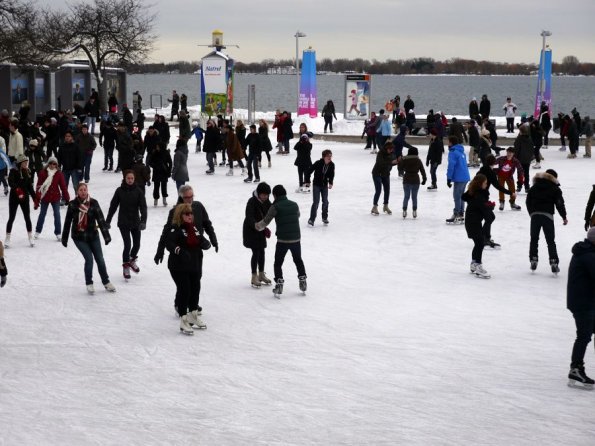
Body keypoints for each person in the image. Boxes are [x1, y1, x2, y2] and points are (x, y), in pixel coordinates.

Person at [154, 185, 219, 317]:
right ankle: (180, 304)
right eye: (187, 197)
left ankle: (192, 303)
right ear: (181, 197)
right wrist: (160, 251)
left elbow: (207, 224)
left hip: (196, 250)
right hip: (181, 254)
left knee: (196, 279)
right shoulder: (176, 212)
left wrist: (213, 239)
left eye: (191, 196)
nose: (190, 199)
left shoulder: (198, 207)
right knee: (184, 282)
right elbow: (166, 233)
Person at [62, 182, 115, 294]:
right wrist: (64, 238)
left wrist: (106, 236)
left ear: (87, 191)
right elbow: (67, 222)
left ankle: (106, 282)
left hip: (93, 235)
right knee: (89, 259)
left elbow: (100, 220)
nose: (83, 192)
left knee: (100, 259)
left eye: (84, 190)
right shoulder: (73, 204)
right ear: (77, 192)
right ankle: (89, 283)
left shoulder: (93, 203)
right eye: (80, 190)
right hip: (79, 237)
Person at [254, 184, 306, 297]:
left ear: (275, 195)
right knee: (298, 260)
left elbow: (266, 221)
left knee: (278, 263)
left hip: (283, 240)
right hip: (296, 238)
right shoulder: (294, 205)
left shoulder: (275, 206)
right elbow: (297, 215)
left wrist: (257, 226)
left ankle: (279, 283)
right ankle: (302, 279)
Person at [165, 203, 209, 334]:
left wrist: (205, 242)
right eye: (187, 214)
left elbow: (200, 238)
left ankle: (193, 316)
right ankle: (184, 321)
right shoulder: (175, 229)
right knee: (185, 291)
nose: (190, 216)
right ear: (180, 215)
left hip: (193, 265)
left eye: (191, 214)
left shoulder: (193, 228)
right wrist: (179, 250)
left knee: (196, 289)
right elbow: (169, 243)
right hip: (178, 267)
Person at [566, 227, 595, 388]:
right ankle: (575, 369)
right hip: (583, 303)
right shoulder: (588, 256)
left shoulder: (586, 252)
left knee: (586, 334)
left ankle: (576, 367)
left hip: (584, 301)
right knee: (583, 335)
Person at [106, 170, 147, 280]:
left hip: (135, 222)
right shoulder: (119, 191)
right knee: (127, 244)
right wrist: (108, 221)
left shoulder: (138, 191)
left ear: (134, 179)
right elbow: (113, 207)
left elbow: (143, 207)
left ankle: (131, 260)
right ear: (124, 179)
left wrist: (143, 221)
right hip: (123, 222)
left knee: (137, 244)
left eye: (132, 178)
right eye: (128, 178)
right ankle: (126, 266)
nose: (130, 180)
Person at [526, 169, 568, 273]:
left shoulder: (534, 186)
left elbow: (528, 201)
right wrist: (564, 216)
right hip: (547, 216)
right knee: (550, 241)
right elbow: (559, 204)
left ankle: (533, 259)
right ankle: (553, 261)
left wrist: (532, 213)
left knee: (534, 239)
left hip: (535, 215)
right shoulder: (554, 188)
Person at [478, 155, 514, 248]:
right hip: (482, 198)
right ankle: (484, 238)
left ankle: (483, 236)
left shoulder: (481, 170)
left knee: (489, 217)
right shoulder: (490, 172)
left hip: (477, 197)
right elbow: (498, 186)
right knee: (489, 217)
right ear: (494, 163)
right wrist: (510, 192)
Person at [462, 174, 493, 279]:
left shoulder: (474, 192)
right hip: (473, 222)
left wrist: (488, 206)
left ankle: (474, 263)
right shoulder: (479, 195)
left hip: (473, 221)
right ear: (480, 184)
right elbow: (483, 208)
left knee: (478, 243)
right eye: (485, 183)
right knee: (480, 243)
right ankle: (478, 266)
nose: (487, 184)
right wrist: (489, 211)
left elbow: (481, 207)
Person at [243, 182, 273, 288]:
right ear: (259, 193)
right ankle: (254, 276)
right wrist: (255, 225)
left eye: (267, 195)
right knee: (256, 252)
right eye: (263, 194)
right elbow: (248, 216)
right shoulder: (252, 201)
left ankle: (261, 274)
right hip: (251, 230)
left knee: (262, 251)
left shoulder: (267, 202)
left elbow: (272, 211)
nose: (265, 197)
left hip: (261, 229)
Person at [34, 156, 70, 241]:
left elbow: (63, 187)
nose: (52, 165)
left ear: (56, 165)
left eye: (54, 164)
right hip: (45, 197)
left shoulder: (59, 174)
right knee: (42, 214)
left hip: (55, 197)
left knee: (57, 214)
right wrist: (37, 200)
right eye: (50, 163)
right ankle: (37, 231)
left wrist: (67, 198)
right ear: (48, 164)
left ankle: (58, 233)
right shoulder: (42, 173)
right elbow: (39, 187)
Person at [5, 154, 36, 247]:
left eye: (27, 162)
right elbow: (10, 182)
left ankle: (30, 237)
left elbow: (30, 186)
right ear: (20, 163)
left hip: (24, 198)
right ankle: (7, 238)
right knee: (11, 218)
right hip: (14, 198)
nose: (26, 164)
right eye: (25, 162)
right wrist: (17, 189)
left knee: (27, 217)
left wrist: (35, 198)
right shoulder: (13, 171)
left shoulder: (27, 171)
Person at [446, 135, 471, 223]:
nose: (447, 143)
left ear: (451, 143)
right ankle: (461, 213)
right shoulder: (461, 151)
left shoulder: (453, 152)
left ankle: (457, 213)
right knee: (461, 196)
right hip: (465, 177)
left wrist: (448, 178)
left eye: (448, 142)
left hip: (459, 178)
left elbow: (451, 166)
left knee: (457, 196)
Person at [307, 149, 335, 226]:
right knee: (316, 202)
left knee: (325, 201)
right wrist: (307, 180)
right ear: (323, 157)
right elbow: (309, 171)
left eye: (330, 156)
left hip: (324, 185)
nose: (330, 157)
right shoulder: (318, 163)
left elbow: (332, 175)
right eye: (328, 156)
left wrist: (331, 182)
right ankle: (311, 219)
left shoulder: (332, 165)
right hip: (316, 185)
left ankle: (324, 217)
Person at [371, 141, 399, 216]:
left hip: (386, 174)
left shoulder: (392, 154)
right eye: (390, 149)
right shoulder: (380, 153)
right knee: (378, 190)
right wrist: (391, 162)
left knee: (387, 190)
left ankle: (385, 206)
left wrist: (397, 162)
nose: (391, 151)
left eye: (392, 149)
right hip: (377, 173)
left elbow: (391, 163)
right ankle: (374, 207)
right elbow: (381, 163)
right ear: (386, 148)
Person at [399, 147, 427, 218]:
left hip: (406, 179)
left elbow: (400, 168)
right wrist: (424, 179)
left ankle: (404, 211)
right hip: (415, 180)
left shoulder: (405, 160)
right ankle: (414, 211)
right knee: (414, 197)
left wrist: (401, 162)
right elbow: (422, 170)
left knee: (406, 196)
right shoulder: (418, 160)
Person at [514, 125, 534, 193]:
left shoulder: (519, 139)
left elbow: (516, 149)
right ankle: (527, 187)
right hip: (527, 159)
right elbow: (532, 149)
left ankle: (519, 186)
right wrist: (531, 157)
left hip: (520, 159)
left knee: (520, 173)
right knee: (526, 173)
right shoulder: (530, 138)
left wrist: (515, 158)